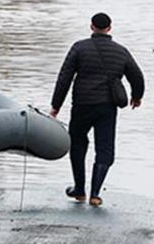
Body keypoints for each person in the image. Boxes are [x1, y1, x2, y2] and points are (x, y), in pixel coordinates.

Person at [50, 12, 145, 207]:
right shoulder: (121, 51)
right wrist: (137, 96)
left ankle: (79, 189)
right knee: (105, 148)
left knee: (77, 143)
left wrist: (56, 106)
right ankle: (95, 193)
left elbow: (64, 78)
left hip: (82, 105)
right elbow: (137, 76)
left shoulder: (79, 48)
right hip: (107, 107)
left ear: (91, 26)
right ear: (110, 28)